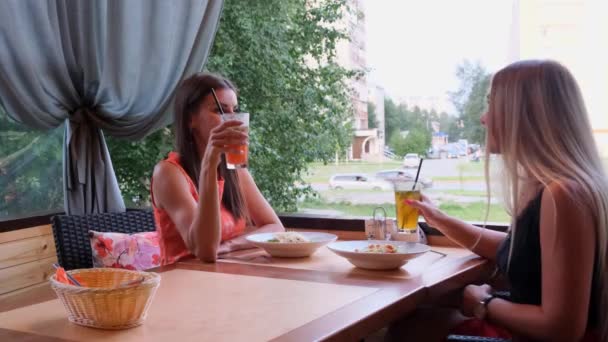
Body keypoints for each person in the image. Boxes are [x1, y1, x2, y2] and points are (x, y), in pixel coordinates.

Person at [392, 60, 607, 341]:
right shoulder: (550, 186)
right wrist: (439, 219)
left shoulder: (562, 195)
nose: (484, 118)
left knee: (408, 330)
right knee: (416, 320)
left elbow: (563, 328)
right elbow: (514, 250)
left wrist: (484, 304)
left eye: (493, 105)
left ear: (526, 115)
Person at [151, 73, 284, 265]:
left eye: (234, 110)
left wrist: (231, 245)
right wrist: (210, 164)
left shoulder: (234, 168)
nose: (231, 119)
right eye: (220, 110)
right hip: (184, 282)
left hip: (225, 275)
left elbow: (274, 227)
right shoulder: (168, 172)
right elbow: (205, 251)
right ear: (191, 120)